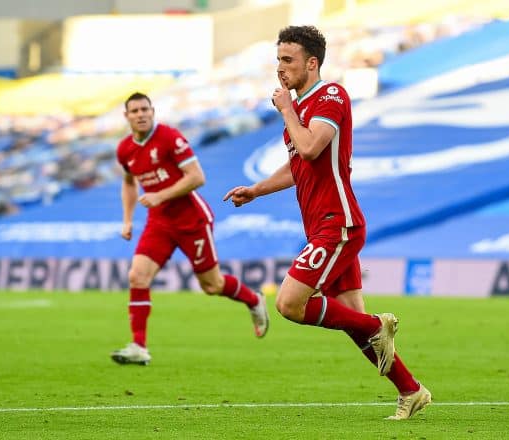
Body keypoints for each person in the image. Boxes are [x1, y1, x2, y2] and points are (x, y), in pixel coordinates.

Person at [224, 26, 430, 420]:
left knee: (289, 304)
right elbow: (298, 163)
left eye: (288, 61)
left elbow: (310, 146)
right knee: (353, 324)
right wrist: (256, 189)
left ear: (312, 63)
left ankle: (376, 324)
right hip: (322, 224)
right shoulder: (301, 109)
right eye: (278, 60)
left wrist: (286, 109)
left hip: (338, 223)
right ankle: (410, 390)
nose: (280, 69)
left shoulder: (330, 96)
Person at [112, 92, 269, 365]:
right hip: (158, 223)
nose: (140, 114)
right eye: (135, 111)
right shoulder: (125, 149)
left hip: (191, 221)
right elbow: (129, 182)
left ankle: (253, 299)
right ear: (127, 116)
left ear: (153, 111)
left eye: (145, 109)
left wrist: (160, 196)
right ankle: (139, 345)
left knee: (212, 285)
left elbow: (197, 177)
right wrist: (127, 219)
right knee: (137, 276)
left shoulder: (170, 138)